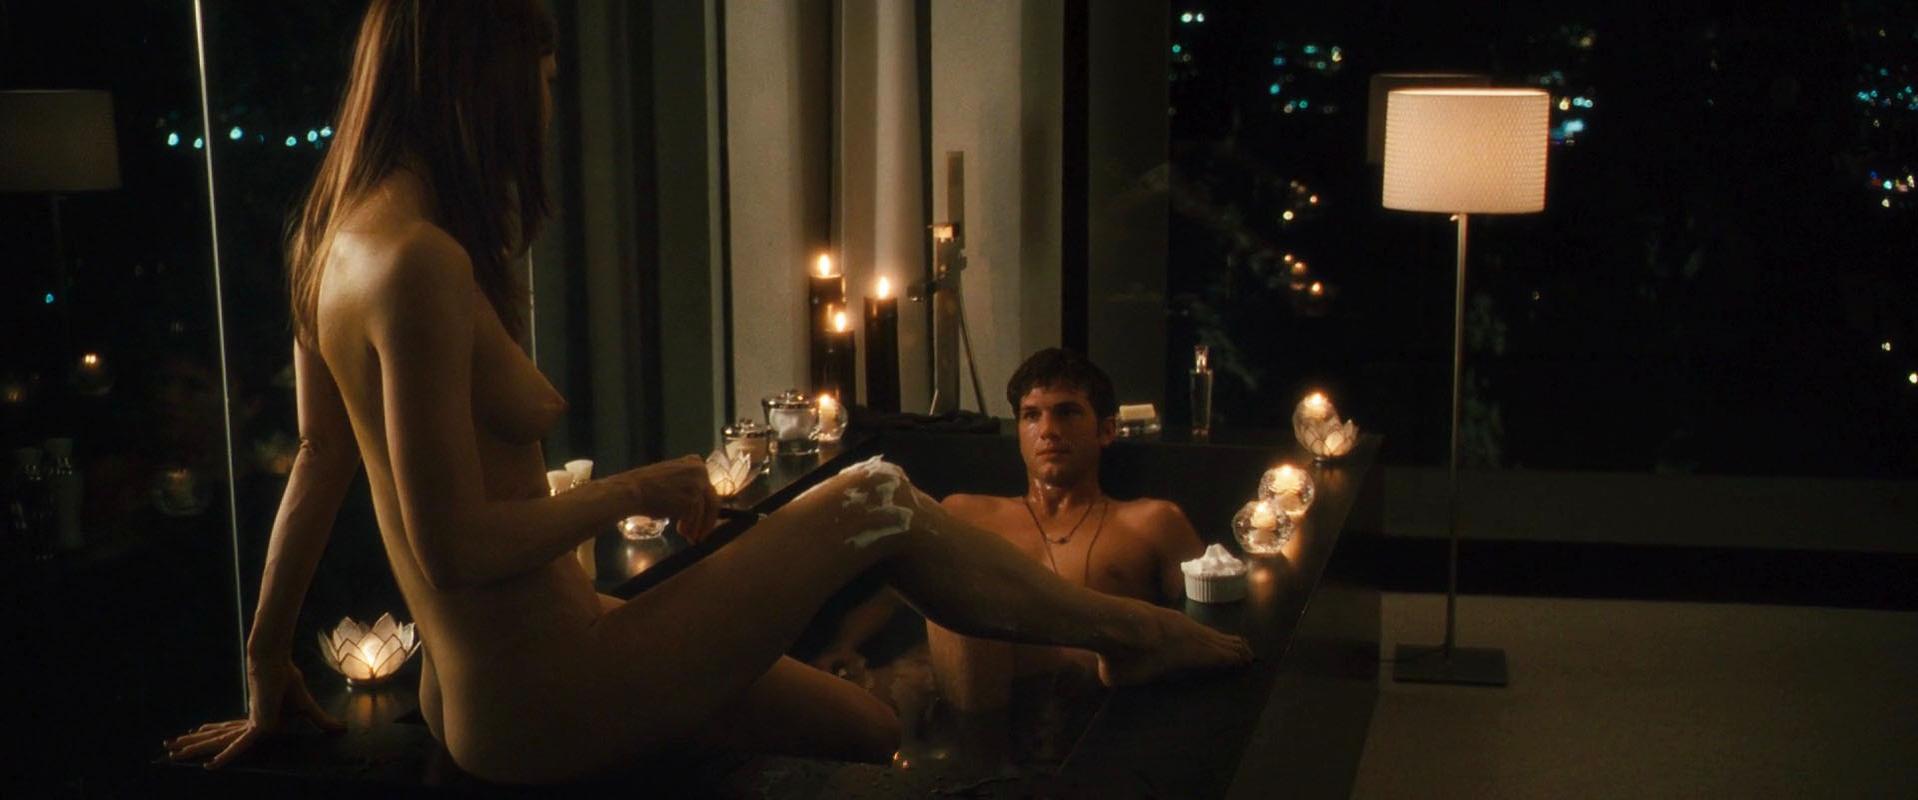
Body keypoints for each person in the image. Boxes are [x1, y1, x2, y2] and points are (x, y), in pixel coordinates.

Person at [162, 1, 1247, 785]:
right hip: (541, 693)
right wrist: (642, 486)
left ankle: (1113, 642)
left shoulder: (329, 242)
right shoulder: (418, 265)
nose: (547, 109)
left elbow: (319, 458)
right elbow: (453, 547)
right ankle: (1133, 633)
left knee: (869, 729)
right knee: (875, 495)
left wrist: (266, 665)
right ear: (481, 77)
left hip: (518, 667)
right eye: (544, 83)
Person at [924, 348, 1210, 708]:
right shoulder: (964, 514)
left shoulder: (1153, 522)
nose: (1048, 431)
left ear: (1106, 430)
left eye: (1067, 412)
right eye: (1031, 415)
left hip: (1092, 711)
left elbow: (1206, 635)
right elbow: (899, 592)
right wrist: (854, 648)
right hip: (966, 700)